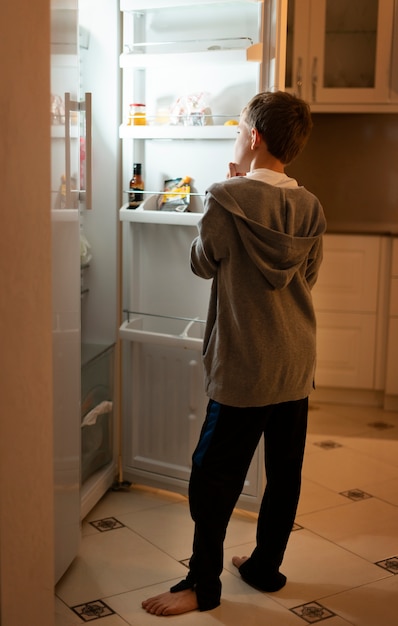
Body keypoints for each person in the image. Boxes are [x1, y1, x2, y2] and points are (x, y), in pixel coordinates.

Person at [142, 90, 326, 616]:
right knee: (284, 472)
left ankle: (203, 585)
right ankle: (265, 566)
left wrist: (224, 190)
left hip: (245, 364)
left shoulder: (226, 196)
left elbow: (202, 262)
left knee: (212, 475)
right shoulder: (312, 205)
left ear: (254, 137)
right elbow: (307, 279)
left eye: (239, 129)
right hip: (295, 362)